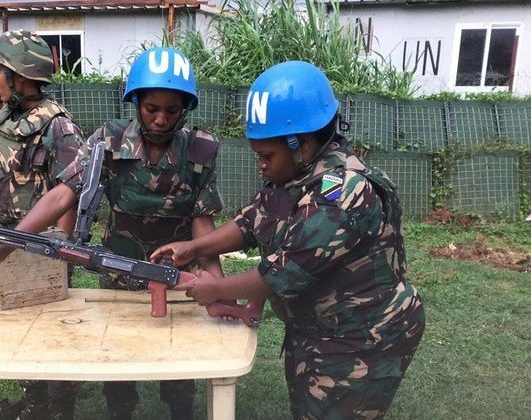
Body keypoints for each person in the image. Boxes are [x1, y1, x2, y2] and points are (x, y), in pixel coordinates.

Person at [151, 61, 426, 419]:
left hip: (362, 335)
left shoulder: (343, 193)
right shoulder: (295, 174)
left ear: (303, 143)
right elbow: (252, 222)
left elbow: (284, 273)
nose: (260, 166)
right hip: (319, 327)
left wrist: (215, 289)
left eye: (266, 156)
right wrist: (194, 247)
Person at [0, 46, 225, 420]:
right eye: (151, 109)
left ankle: (181, 411)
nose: (161, 120)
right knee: (119, 364)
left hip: (179, 275)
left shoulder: (200, 148)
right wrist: (8, 242)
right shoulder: (108, 141)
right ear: (136, 103)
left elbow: (202, 218)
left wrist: (217, 284)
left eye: (172, 111)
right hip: (118, 271)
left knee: (181, 365)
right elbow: (62, 194)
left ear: (185, 109)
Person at [0, 29, 85, 420]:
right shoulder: (9, 117)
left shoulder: (58, 127)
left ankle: (60, 408)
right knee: (18, 331)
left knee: (51, 332)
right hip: (2, 241)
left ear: (20, 77)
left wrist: (62, 250)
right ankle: (34, 402)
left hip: (40, 249)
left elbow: (68, 194)